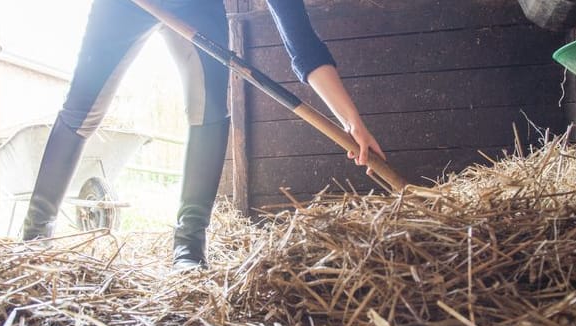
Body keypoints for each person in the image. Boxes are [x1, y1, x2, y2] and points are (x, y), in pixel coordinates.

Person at [21, 0, 385, 270]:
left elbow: (302, 45)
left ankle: (189, 247)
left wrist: (350, 119)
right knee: (83, 106)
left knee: (210, 107)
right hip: (125, 6)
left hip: (195, 5)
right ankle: (35, 236)